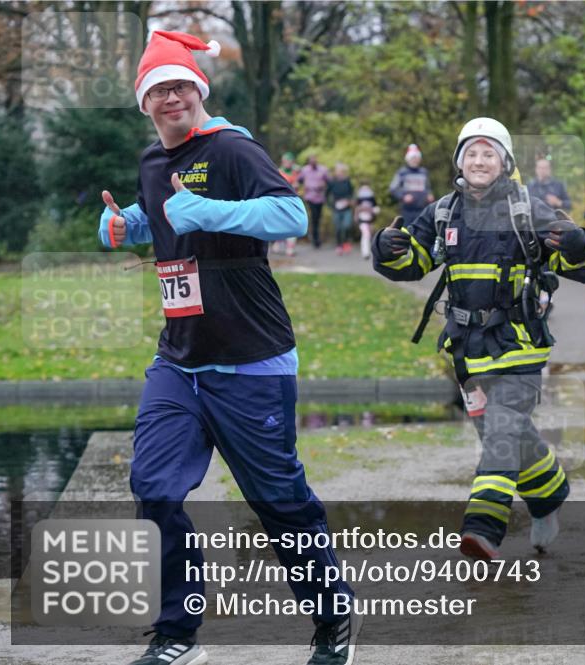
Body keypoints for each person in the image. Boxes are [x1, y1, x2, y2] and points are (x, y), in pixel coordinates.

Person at [97, 31, 358, 665]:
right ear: (145, 103)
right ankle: (177, 636)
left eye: (181, 85)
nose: (171, 98)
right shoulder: (154, 160)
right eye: (158, 90)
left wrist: (209, 212)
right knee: (154, 488)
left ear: (199, 91)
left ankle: (333, 620)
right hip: (179, 359)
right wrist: (125, 224)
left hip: (251, 360)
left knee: (278, 503)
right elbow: (160, 209)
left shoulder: (233, 149)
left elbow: (290, 216)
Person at [372, 117, 585, 560]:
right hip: (467, 352)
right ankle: (550, 496)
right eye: (471, 153)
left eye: (488, 153)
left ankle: (483, 528)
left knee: (501, 434)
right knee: (512, 436)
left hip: (519, 347)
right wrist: (387, 246)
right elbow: (413, 263)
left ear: (505, 161)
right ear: (459, 160)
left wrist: (575, 242)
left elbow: (584, 267)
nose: (479, 160)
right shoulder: (443, 211)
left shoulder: (528, 209)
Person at [388, 143, 434, 224]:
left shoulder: (423, 172)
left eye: (416, 157)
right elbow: (393, 188)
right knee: (407, 232)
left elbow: (427, 187)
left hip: (422, 209)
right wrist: (403, 196)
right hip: (407, 210)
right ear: (408, 159)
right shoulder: (402, 172)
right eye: (413, 157)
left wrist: (429, 194)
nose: (415, 160)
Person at [298, 152, 328, 249]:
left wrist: (323, 186)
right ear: (309, 161)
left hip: (320, 197)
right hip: (310, 197)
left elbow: (329, 181)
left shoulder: (323, 169)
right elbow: (299, 180)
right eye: (311, 160)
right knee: (314, 217)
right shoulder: (305, 170)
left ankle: (316, 237)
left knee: (317, 218)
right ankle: (315, 239)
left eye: (314, 159)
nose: (313, 161)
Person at [272, 151, 300, 256]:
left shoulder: (296, 172)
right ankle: (278, 242)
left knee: (292, 223)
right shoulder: (278, 172)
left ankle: (290, 248)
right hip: (281, 201)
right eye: (285, 160)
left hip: (293, 201)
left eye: (289, 161)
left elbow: (298, 185)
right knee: (280, 223)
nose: (287, 162)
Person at [328, 162, 355, 255]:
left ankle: (346, 243)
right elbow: (327, 194)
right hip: (336, 209)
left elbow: (352, 193)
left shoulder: (347, 181)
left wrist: (349, 200)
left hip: (347, 208)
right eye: (338, 171)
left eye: (341, 171)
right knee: (338, 228)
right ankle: (339, 245)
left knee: (347, 226)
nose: (339, 172)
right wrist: (331, 205)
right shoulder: (332, 182)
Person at [354, 181, 380, 260]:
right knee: (366, 234)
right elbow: (356, 209)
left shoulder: (372, 199)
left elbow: (377, 209)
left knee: (368, 236)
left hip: (370, 220)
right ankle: (366, 253)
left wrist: (371, 210)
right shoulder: (359, 199)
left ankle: (368, 252)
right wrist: (356, 216)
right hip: (362, 221)